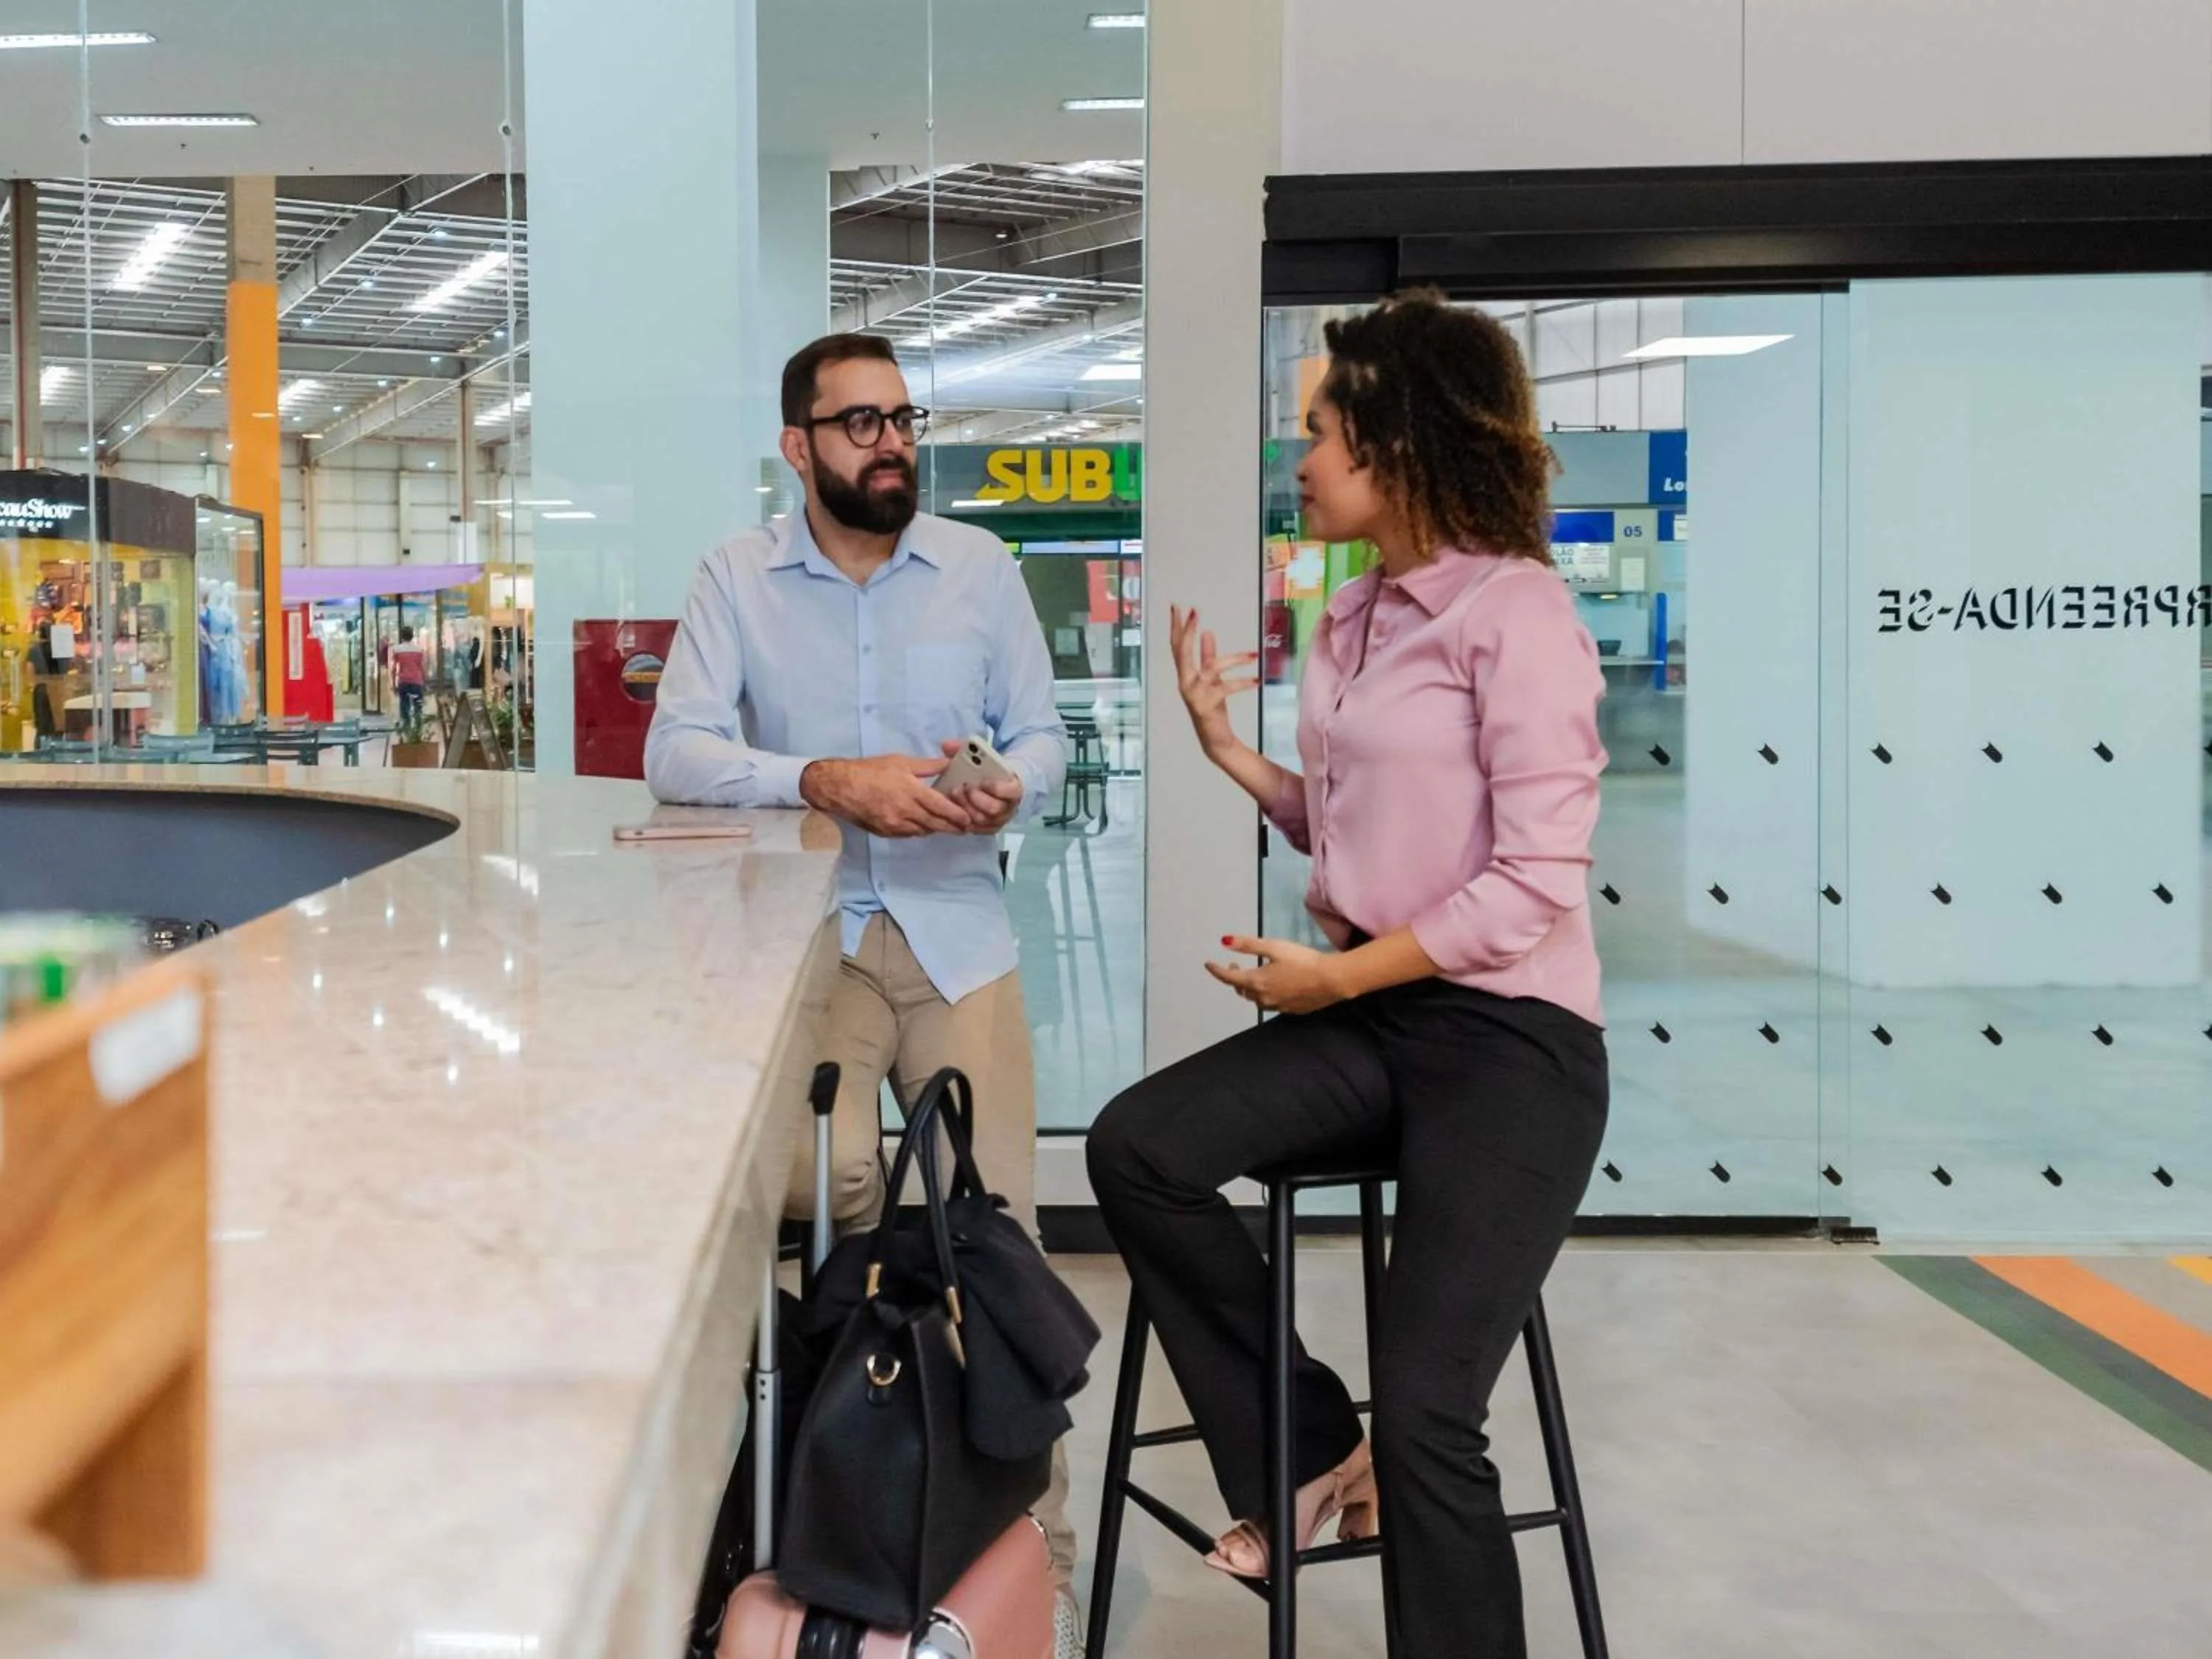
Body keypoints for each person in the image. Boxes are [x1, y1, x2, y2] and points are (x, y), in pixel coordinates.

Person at [1087, 291, 1610, 1659]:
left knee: (1433, 1413)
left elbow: (1535, 884)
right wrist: (1237, 760)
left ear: (1397, 439)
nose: (1300, 457)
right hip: (1380, 1013)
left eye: (1318, 430)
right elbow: (1364, 825)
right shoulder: (1354, 615)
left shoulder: (1520, 614)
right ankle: (1312, 1454)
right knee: (1140, 1149)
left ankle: (1382, 1464)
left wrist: (1336, 979)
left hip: (1514, 1044)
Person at [644, 333, 1082, 1649]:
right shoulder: (737, 578)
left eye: (900, 418)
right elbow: (679, 749)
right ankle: (840, 1508)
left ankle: (1024, 1551)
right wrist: (824, 779)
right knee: (822, 1200)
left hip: (959, 933)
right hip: (812, 941)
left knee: (995, 1238)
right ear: (799, 447)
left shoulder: (981, 569)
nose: (890, 442)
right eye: (858, 424)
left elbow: (1051, 737)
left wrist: (1012, 778)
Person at [390, 626, 428, 733]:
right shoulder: (419, 650)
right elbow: (423, 667)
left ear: (402, 636)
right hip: (417, 681)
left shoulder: (397, 650)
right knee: (418, 706)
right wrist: (425, 681)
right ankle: (418, 729)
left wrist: (394, 683)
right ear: (412, 636)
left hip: (403, 681)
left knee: (404, 705)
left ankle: (406, 730)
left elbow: (393, 669)